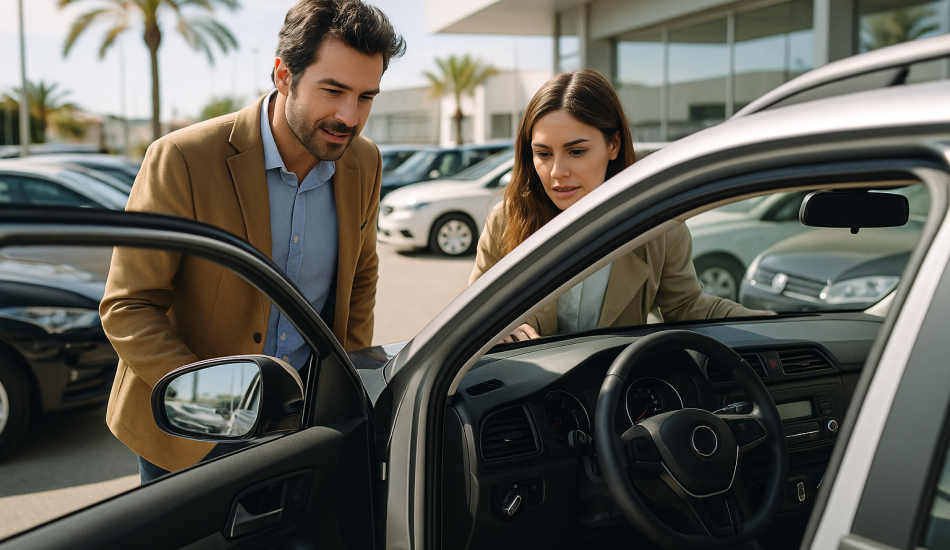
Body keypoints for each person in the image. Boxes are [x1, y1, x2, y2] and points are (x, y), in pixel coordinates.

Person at [100, 0, 405, 482]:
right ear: (284, 76)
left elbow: (360, 278)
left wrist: (344, 385)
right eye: (334, 90)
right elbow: (128, 304)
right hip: (191, 432)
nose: (349, 115)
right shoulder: (182, 158)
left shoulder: (364, 161)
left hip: (305, 425)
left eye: (367, 96)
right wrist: (216, 403)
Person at [469, 69, 765, 342]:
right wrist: (497, 328)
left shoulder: (659, 228)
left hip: (615, 388)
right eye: (543, 154)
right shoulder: (506, 220)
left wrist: (776, 325)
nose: (557, 171)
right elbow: (472, 315)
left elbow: (687, 307)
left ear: (614, 145)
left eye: (576, 151)